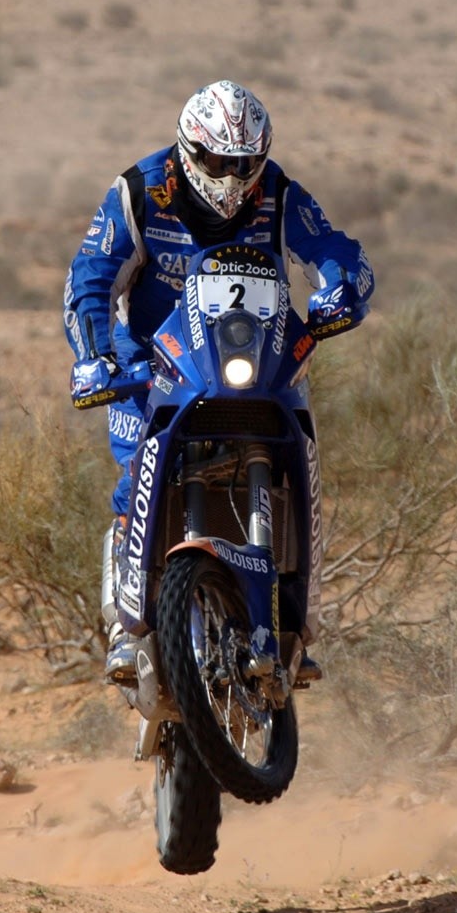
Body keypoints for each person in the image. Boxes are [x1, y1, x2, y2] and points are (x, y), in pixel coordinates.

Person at [63, 80, 374, 683]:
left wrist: (340, 288)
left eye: (245, 163)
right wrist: (93, 355)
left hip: (257, 355)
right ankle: (126, 625)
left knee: (296, 459)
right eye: (216, 161)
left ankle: (294, 618)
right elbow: (91, 275)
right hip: (153, 360)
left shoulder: (279, 194)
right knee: (134, 473)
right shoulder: (140, 191)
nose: (232, 178)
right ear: (188, 149)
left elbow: (332, 247)